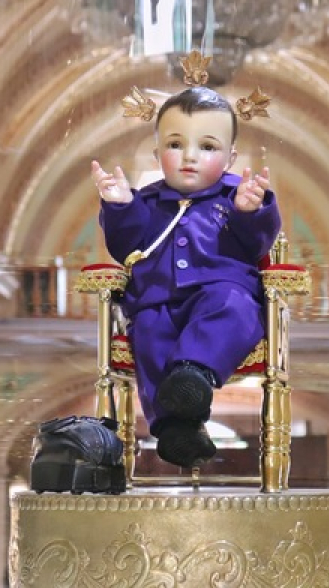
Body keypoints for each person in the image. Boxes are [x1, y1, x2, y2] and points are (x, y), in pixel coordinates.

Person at [91, 86, 282, 469]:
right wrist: (120, 208)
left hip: (221, 292)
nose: (190, 156)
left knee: (233, 310)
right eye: (176, 144)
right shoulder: (145, 202)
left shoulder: (235, 196)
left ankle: (193, 373)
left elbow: (258, 241)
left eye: (207, 147)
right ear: (157, 151)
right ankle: (177, 428)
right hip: (157, 300)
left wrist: (251, 212)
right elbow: (125, 246)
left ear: (230, 157)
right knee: (149, 336)